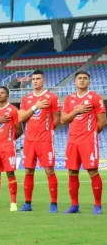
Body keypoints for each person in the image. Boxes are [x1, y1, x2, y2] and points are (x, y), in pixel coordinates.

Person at [61, 71, 106, 214]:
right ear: (75, 82)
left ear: (89, 82)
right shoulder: (69, 99)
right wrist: (77, 111)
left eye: (85, 78)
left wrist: (90, 134)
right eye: (79, 78)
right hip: (72, 140)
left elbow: (102, 121)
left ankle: (97, 205)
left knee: (92, 171)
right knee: (72, 172)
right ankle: (74, 205)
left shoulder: (95, 97)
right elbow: (63, 120)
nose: (82, 80)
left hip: (88, 141)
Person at [17, 70, 61, 212]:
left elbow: (57, 119)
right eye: (33, 79)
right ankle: (27, 204)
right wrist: (35, 107)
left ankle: (53, 204)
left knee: (49, 170)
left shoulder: (52, 97)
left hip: (45, 140)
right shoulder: (26, 99)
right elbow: (21, 117)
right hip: (29, 140)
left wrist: (47, 130)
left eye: (38, 79)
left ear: (44, 80)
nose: (35, 81)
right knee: (28, 170)